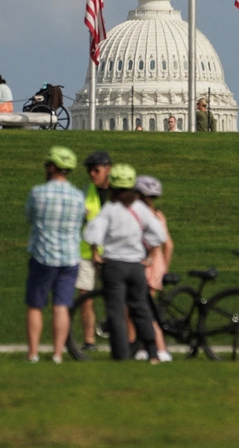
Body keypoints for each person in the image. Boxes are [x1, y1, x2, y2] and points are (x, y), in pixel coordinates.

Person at [81, 164, 168, 363]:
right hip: (136, 265)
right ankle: (153, 353)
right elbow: (159, 235)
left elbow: (91, 233)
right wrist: (148, 255)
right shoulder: (141, 209)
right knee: (141, 309)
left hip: (114, 265)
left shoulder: (110, 209)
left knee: (116, 311)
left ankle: (121, 355)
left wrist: (96, 252)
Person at [23, 146, 85, 364]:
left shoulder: (38, 193)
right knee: (62, 305)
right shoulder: (78, 196)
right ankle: (57, 354)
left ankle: (33, 353)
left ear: (52, 167)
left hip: (43, 255)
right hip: (69, 256)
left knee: (35, 305)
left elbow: (29, 217)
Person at [75, 151, 113, 351]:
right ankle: (89, 341)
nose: (92, 174)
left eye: (96, 170)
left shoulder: (119, 193)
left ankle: (121, 337)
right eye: (89, 170)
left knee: (115, 298)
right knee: (85, 297)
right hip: (87, 254)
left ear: (108, 170)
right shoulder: (86, 192)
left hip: (113, 254)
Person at [136, 175, 173, 362]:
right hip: (157, 266)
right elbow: (169, 245)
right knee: (146, 308)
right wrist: (163, 268)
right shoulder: (159, 215)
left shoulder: (144, 217)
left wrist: (150, 260)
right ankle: (145, 347)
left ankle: (160, 348)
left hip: (147, 266)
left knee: (145, 311)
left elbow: (153, 243)